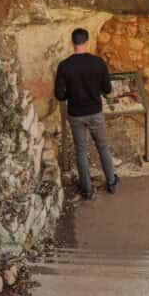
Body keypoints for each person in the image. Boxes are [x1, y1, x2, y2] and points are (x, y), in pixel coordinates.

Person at [54, 27, 120, 199]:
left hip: (76, 114)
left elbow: (59, 95)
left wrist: (71, 94)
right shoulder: (98, 63)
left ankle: (87, 189)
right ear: (87, 42)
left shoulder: (64, 66)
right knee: (102, 147)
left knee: (81, 151)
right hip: (95, 112)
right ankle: (111, 182)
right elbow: (107, 88)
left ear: (72, 43)